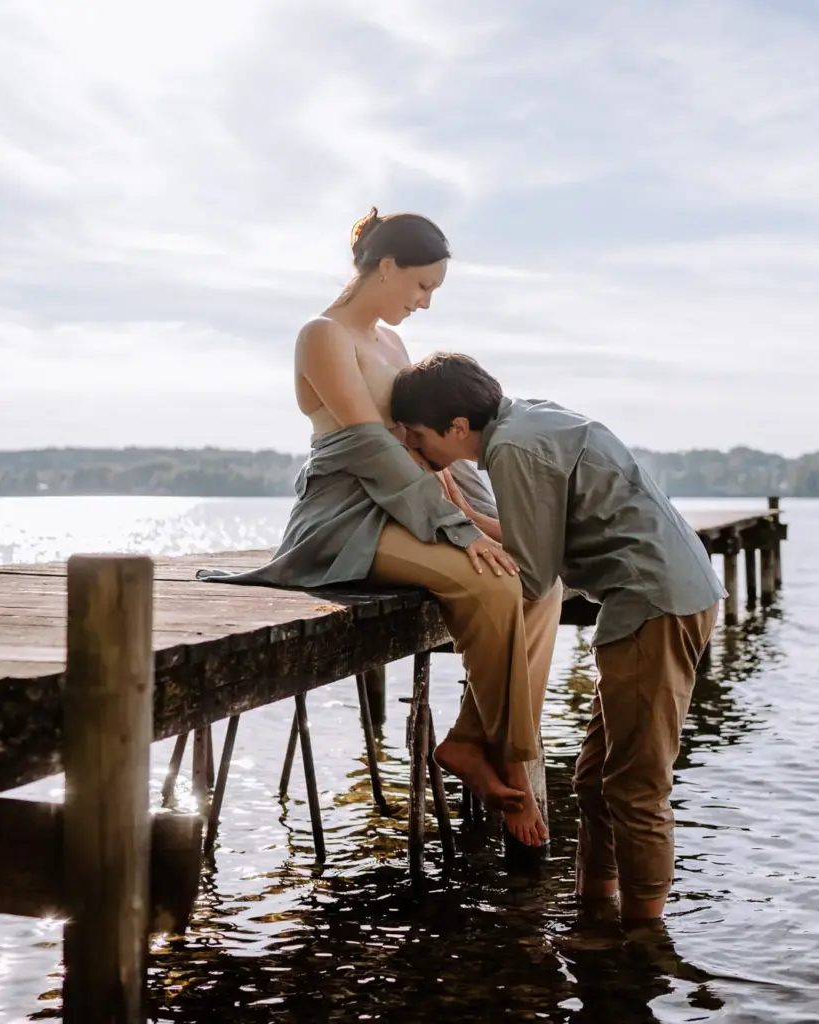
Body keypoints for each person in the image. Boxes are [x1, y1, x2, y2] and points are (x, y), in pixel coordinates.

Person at [198, 210, 561, 846]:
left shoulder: (392, 346)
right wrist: (458, 530)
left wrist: (483, 514)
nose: (424, 303)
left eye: (433, 293)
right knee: (492, 585)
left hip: (409, 501)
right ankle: (512, 760)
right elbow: (371, 447)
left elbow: (419, 440)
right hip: (344, 518)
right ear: (386, 266)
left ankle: (473, 742)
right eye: (421, 286)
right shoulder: (322, 335)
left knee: (539, 582)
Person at [388, 352, 724, 922]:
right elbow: (540, 544)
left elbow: (535, 574)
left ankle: (643, 940)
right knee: (593, 779)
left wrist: (455, 519)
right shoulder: (528, 420)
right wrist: (467, 511)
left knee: (636, 786)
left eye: (419, 438)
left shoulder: (513, 449)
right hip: (656, 595)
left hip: (655, 601)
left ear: (459, 429)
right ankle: (594, 913)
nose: (416, 450)